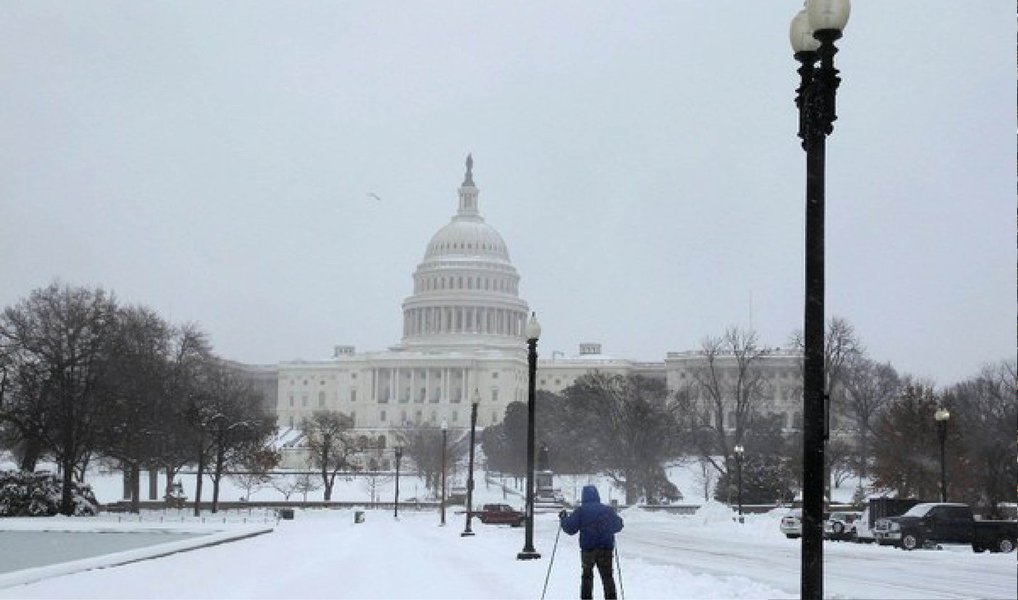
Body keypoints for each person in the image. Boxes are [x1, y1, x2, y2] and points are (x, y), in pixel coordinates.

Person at [559, 485, 624, 600]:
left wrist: (563, 519)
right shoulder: (606, 510)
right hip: (606, 548)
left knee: (587, 577)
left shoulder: (581, 511)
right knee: (607, 577)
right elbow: (618, 525)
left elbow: (570, 529)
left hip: (588, 549)